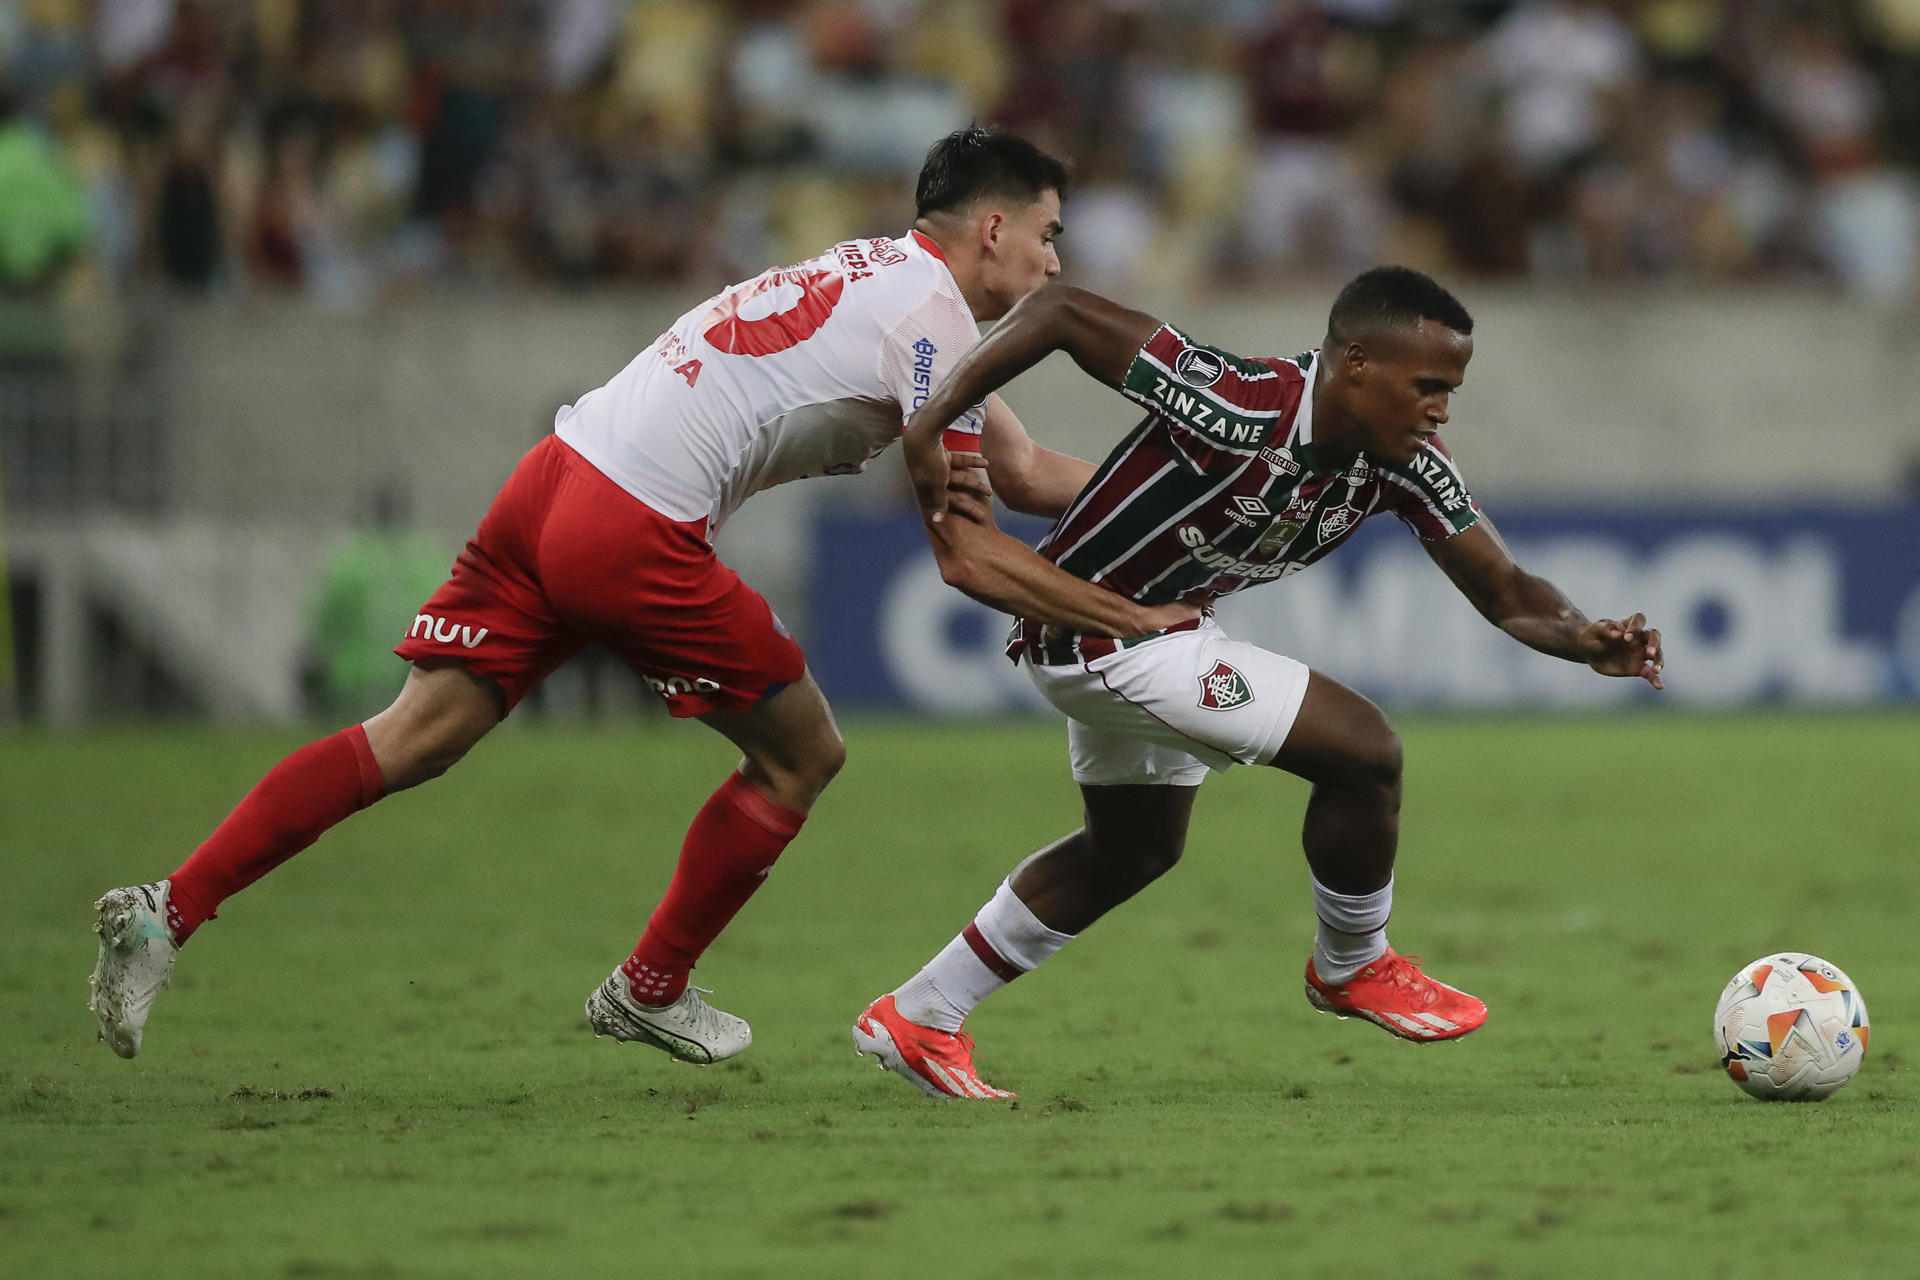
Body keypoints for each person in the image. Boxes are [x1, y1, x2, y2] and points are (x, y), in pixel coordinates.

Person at [87, 126, 1201, 1063]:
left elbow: (1021, 472)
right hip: (632, 526)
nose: (1055, 266)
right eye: (1050, 236)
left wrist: (1204, 491)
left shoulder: (882, 277)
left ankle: (166, 910)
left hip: (554, 478)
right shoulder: (939, 324)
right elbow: (966, 552)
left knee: (413, 736)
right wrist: (1134, 615)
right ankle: (649, 983)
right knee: (803, 752)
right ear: (994, 230)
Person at [852, 266, 1666, 1099]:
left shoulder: (1403, 464)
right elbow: (1061, 309)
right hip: (1103, 636)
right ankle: (1353, 963)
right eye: (1427, 385)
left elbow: (1506, 589)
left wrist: (1580, 636)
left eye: (1451, 389)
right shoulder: (1239, 402)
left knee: (1134, 848)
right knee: (1365, 751)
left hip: (1154, 636)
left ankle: (923, 1012)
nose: (1440, 409)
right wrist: (938, 414)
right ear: (1356, 366)